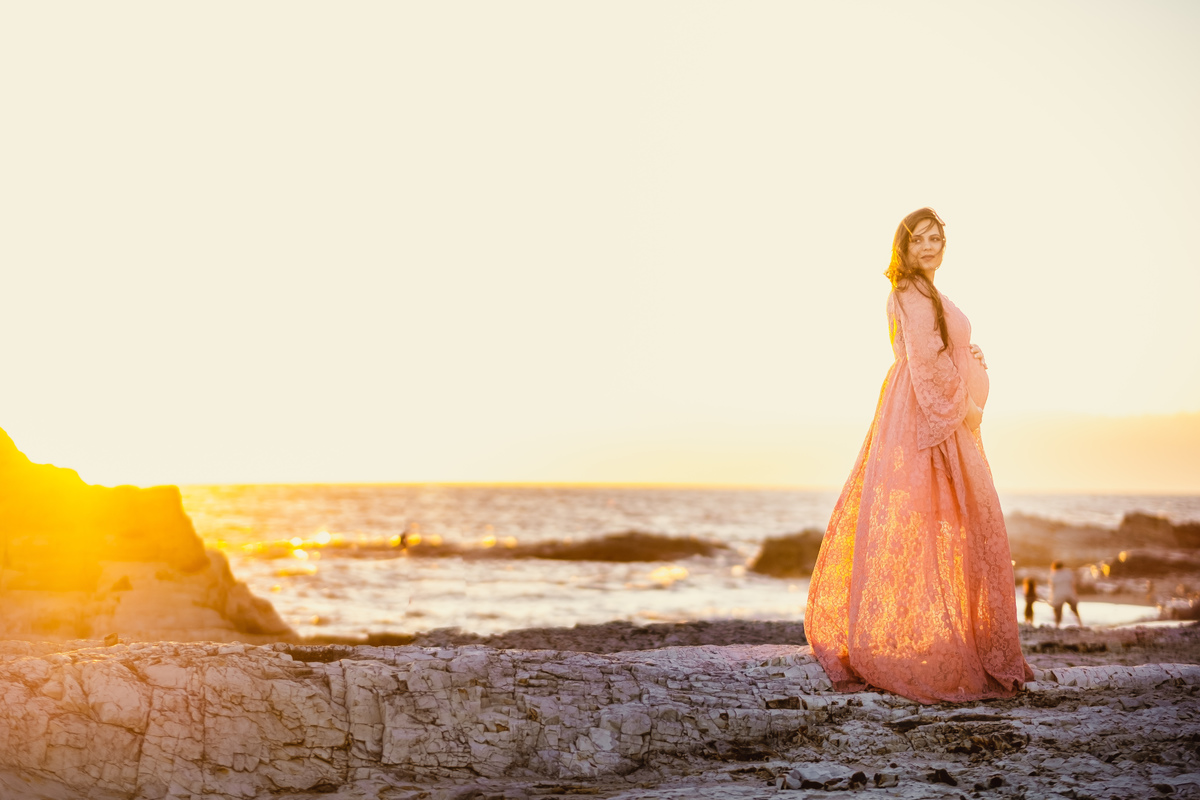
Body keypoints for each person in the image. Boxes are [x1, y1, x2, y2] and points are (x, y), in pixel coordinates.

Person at [805, 207, 1034, 704]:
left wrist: (970, 359)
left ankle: (947, 638)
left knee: (951, 526)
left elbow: (939, 349)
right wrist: (968, 408)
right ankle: (917, 643)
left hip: (937, 407)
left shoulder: (929, 293)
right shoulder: (909, 291)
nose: (929, 247)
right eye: (918, 241)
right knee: (942, 523)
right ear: (903, 249)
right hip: (927, 413)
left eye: (935, 238)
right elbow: (924, 360)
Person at [1048, 561, 1083, 628]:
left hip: (1058, 594)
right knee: (1074, 610)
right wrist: (1075, 595)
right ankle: (1080, 624)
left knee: (1058, 611)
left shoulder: (1053, 575)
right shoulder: (1068, 572)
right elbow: (1073, 585)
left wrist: (1051, 598)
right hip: (1069, 593)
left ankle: (1057, 625)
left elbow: (1052, 588)